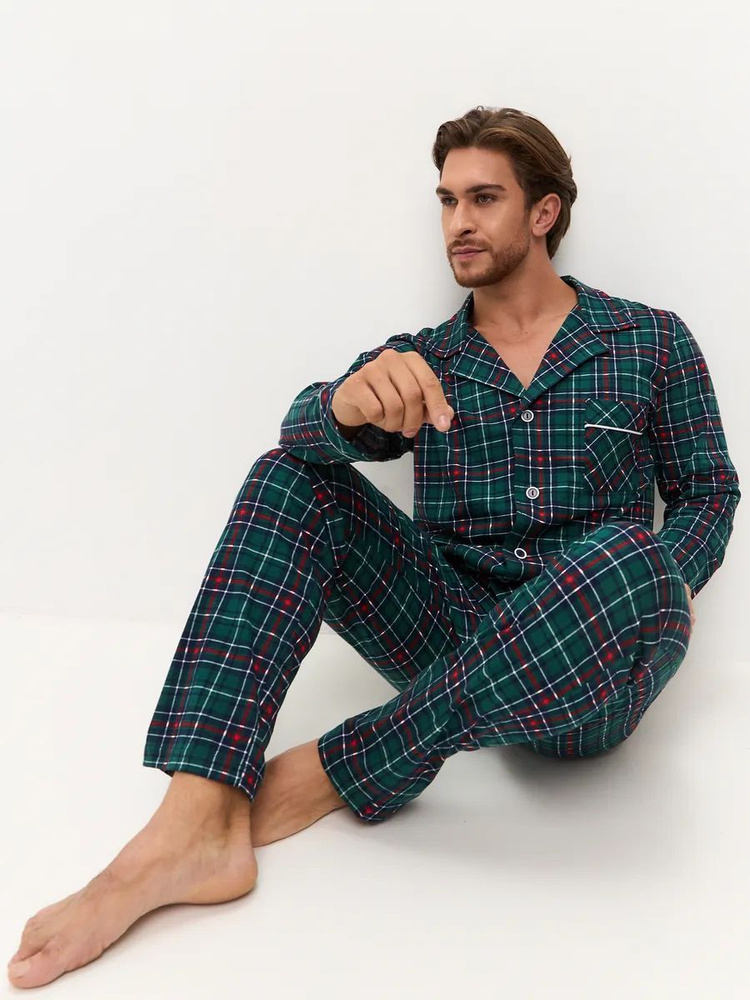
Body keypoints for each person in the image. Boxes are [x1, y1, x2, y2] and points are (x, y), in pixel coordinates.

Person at [7, 105, 741, 989]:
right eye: (446, 201)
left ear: (544, 212)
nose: (458, 221)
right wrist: (342, 406)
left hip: (591, 653)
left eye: (483, 199)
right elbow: (301, 433)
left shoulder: (650, 339)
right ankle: (192, 820)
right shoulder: (425, 359)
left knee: (629, 558)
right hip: (451, 631)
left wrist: (660, 586)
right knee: (289, 475)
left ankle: (343, 765)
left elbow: (710, 492)